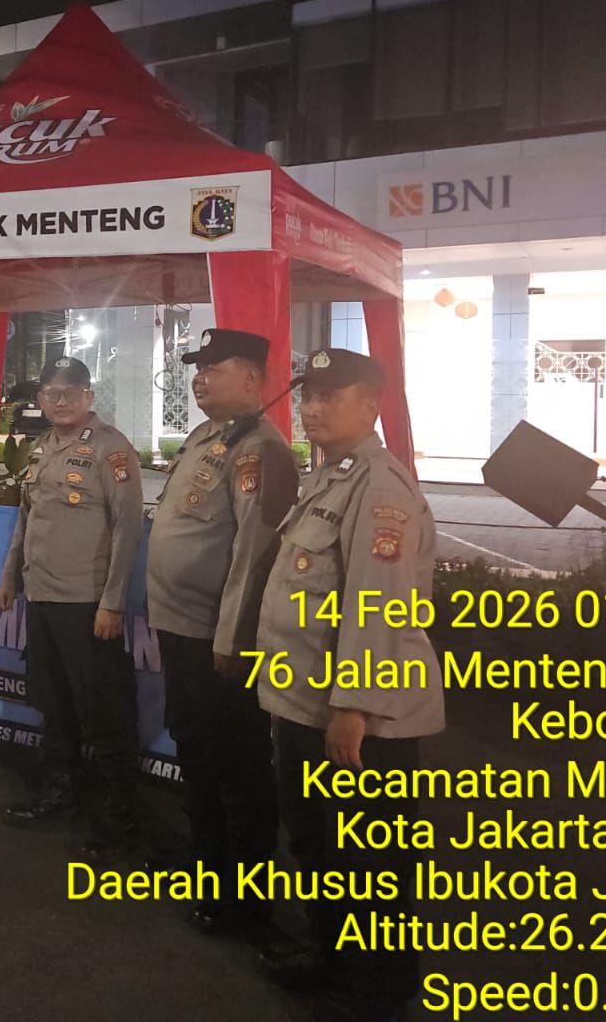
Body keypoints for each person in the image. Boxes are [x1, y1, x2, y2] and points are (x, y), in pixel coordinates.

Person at [254, 348, 444, 1022]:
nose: (311, 409)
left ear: (370, 405)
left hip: (359, 722)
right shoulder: (331, 475)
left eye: (329, 397)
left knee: (371, 867)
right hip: (309, 705)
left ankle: (379, 997)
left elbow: (379, 603)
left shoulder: (379, 487)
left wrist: (354, 706)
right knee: (320, 846)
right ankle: (333, 963)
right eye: (307, 396)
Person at [145, 328, 297, 937]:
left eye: (214, 367)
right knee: (195, 749)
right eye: (197, 367)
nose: (199, 377)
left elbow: (254, 555)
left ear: (253, 378)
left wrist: (231, 639)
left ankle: (246, 897)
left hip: (218, 639)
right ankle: (209, 862)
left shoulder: (261, 451)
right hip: (180, 627)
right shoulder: (208, 437)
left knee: (237, 765)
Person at [0, 356, 144, 856]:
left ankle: (118, 820)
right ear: (40, 399)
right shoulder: (41, 448)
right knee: (53, 703)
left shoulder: (110, 450)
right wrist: (10, 578)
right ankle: (61, 791)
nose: (59, 401)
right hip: (42, 597)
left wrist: (112, 603)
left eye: (70, 392)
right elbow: (26, 519)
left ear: (88, 397)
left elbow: (127, 529)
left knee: (104, 714)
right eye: (50, 393)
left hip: (87, 605)